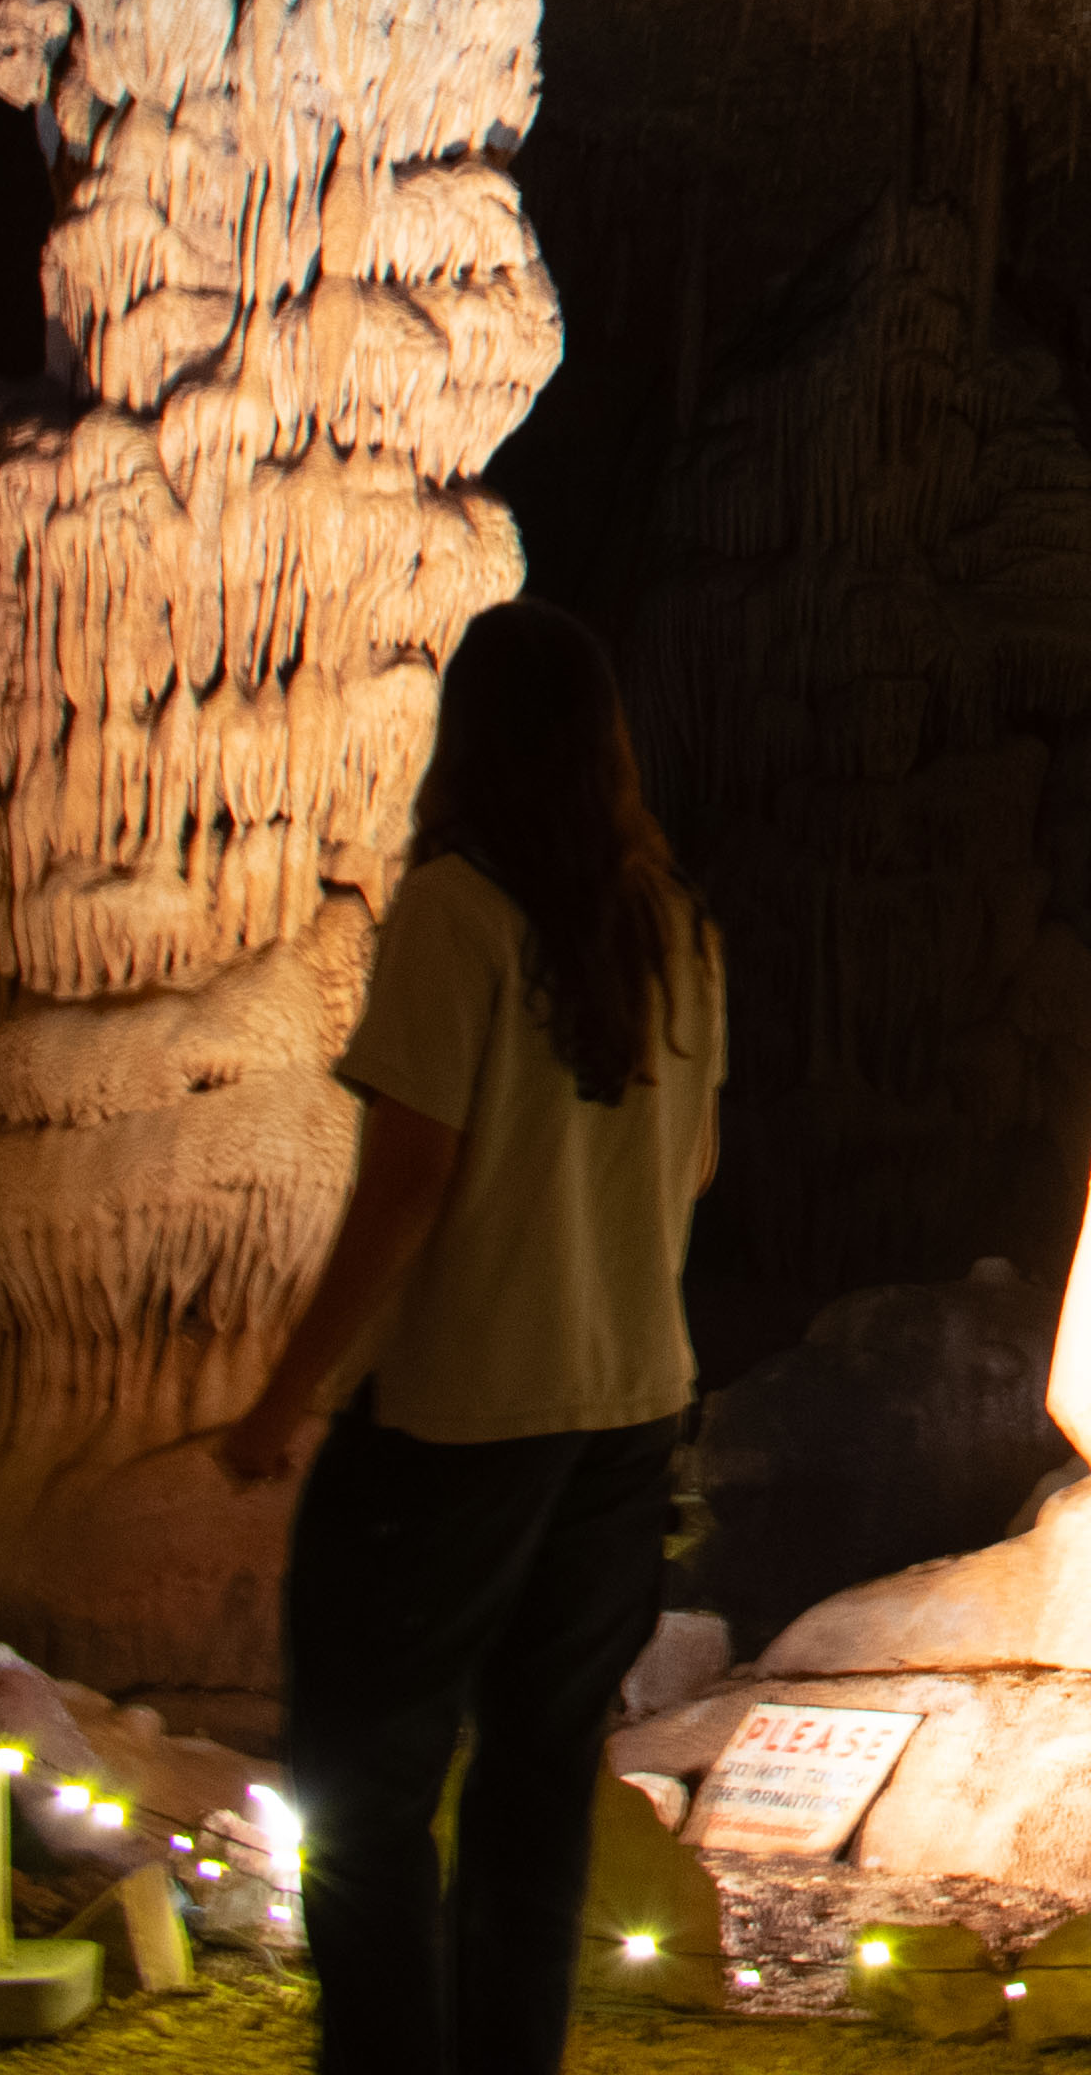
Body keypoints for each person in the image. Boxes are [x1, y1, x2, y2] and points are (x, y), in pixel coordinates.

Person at [221, 602, 728, 2075]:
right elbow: (691, 1169)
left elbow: (411, 1183)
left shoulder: (459, 913)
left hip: (458, 1432)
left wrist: (281, 1398)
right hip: (627, 1424)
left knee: (363, 1795)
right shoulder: (677, 935)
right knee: (534, 1782)